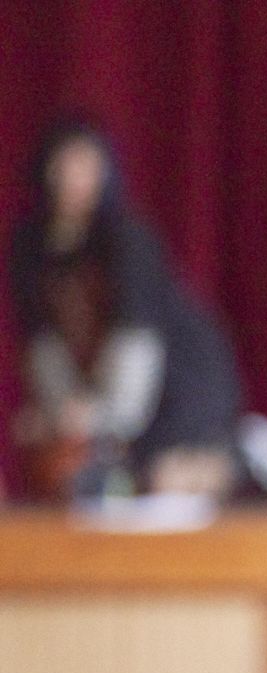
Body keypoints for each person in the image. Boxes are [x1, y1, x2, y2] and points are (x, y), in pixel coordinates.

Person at [7, 117, 245, 501]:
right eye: (65, 165)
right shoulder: (27, 248)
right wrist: (60, 413)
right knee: (79, 484)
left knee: (164, 482)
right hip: (104, 402)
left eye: (86, 165)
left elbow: (137, 349)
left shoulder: (127, 242)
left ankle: (246, 458)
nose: (74, 179)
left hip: (178, 385)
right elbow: (43, 346)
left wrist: (97, 418)